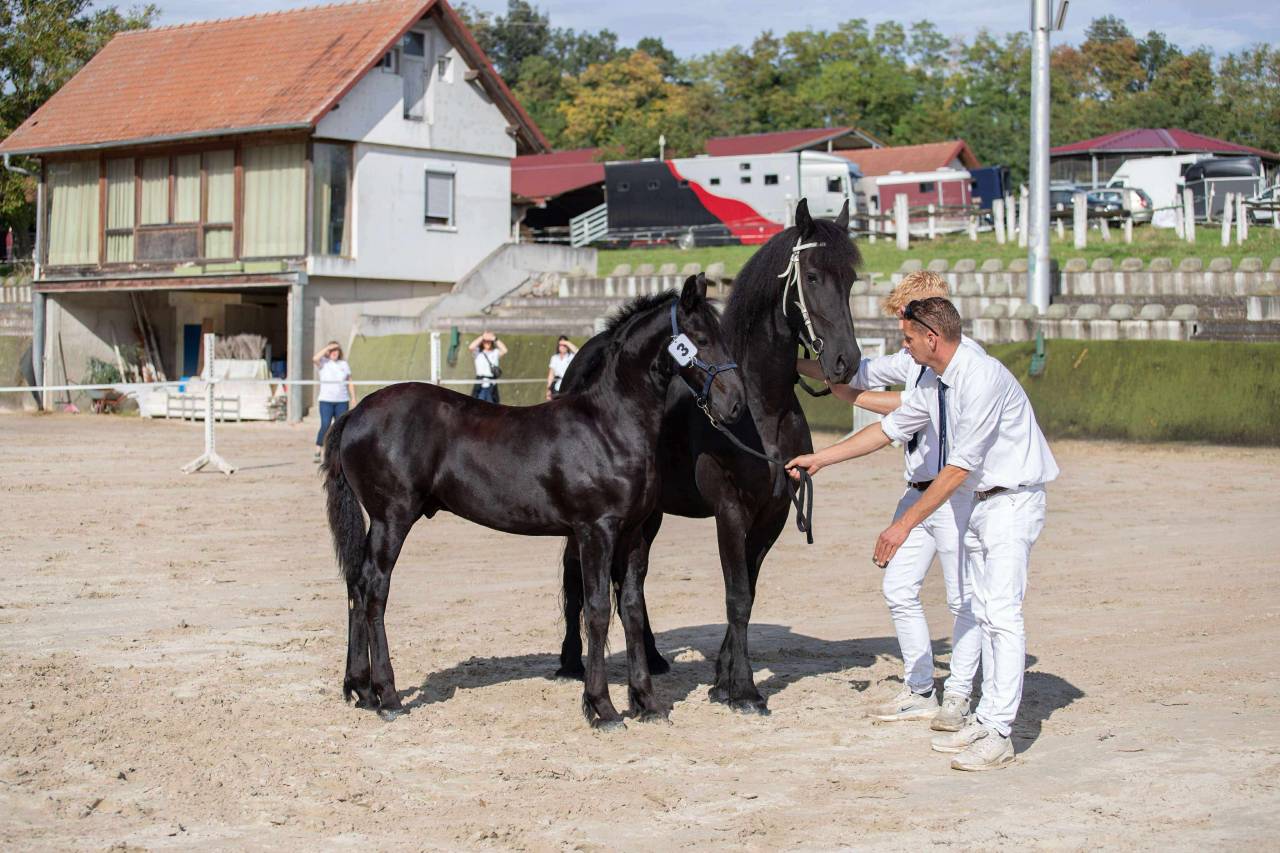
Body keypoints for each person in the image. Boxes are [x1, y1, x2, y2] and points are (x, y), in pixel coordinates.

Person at [787, 297, 1058, 772]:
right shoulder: (937, 380)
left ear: (932, 337)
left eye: (908, 339)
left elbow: (957, 468)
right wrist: (820, 459)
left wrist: (902, 524)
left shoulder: (980, 377)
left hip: (1011, 501)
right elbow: (888, 429)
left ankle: (997, 731)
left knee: (998, 613)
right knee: (985, 610)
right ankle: (984, 717)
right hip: (981, 502)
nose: (904, 349)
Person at [797, 272, 982, 733]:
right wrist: (795, 363)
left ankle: (958, 694)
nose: (900, 328)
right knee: (899, 590)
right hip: (917, 491)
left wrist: (854, 396)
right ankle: (921, 690)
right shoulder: (916, 362)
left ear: (930, 319)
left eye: (905, 317)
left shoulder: (966, 365)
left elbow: (892, 405)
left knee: (963, 601)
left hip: (955, 495)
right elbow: (861, 381)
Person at [313, 341, 355, 463]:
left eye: (336, 350)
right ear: (328, 352)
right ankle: (318, 450)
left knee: (340, 427)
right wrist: (328, 347)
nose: (334, 352)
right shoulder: (323, 363)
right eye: (332, 350)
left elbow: (350, 382)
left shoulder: (344, 364)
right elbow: (315, 358)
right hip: (326, 401)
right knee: (325, 425)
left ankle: (337, 453)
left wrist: (353, 398)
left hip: (342, 400)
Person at [469, 331, 507, 404]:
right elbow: (471, 347)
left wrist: (494, 338)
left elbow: (504, 350)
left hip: (492, 384)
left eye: (489, 341)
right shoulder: (478, 352)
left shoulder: (495, 352)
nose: (487, 343)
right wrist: (482, 337)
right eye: (485, 341)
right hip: (480, 383)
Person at [546, 335, 578, 400]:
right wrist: (548, 389)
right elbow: (551, 375)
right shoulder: (554, 358)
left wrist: (566, 342)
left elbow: (578, 351)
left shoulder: (571, 356)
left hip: (568, 386)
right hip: (556, 387)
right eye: (561, 345)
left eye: (565, 345)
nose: (563, 347)